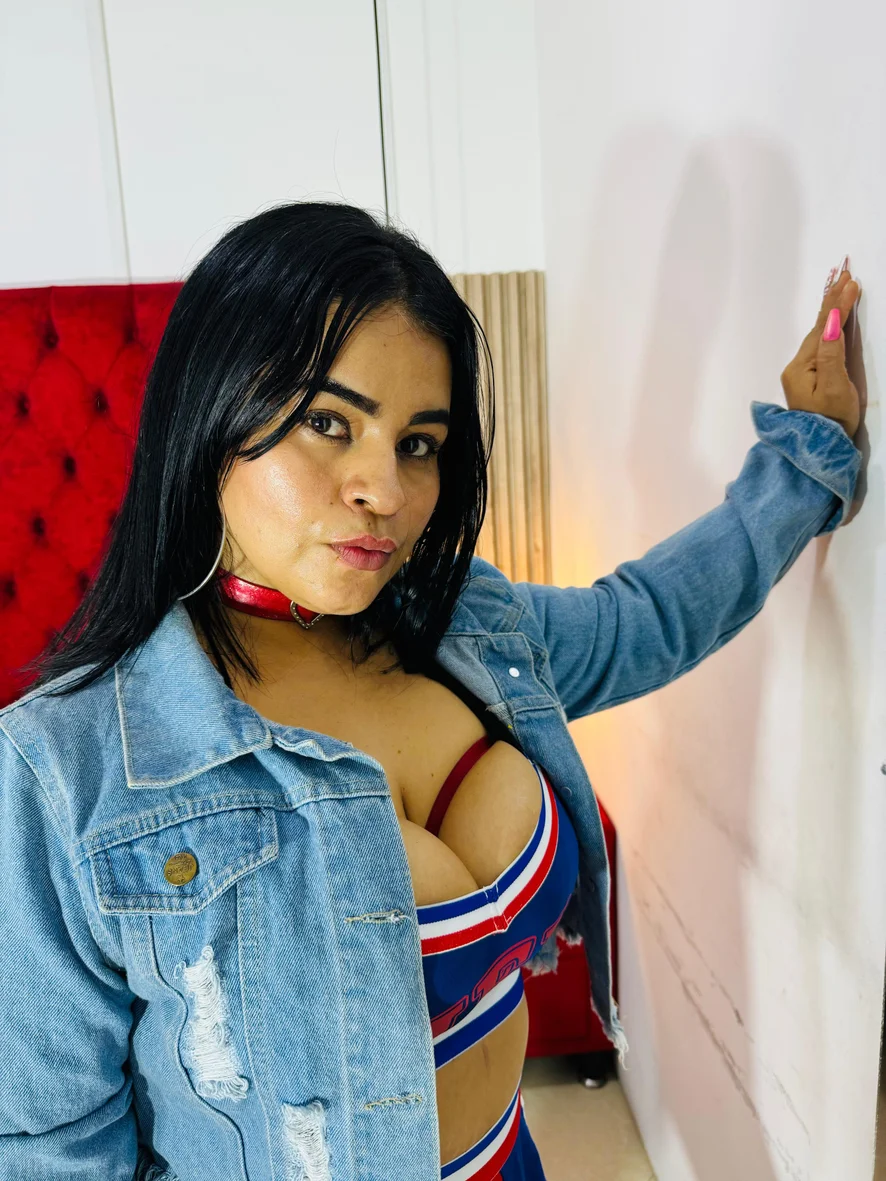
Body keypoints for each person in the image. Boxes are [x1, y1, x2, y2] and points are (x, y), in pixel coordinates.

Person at [0, 203, 861, 1181]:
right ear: (211, 413)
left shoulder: (466, 625)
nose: (386, 490)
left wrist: (803, 462)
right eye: (329, 423)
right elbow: (48, 1151)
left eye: (419, 442)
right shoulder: (62, 773)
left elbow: (646, 618)